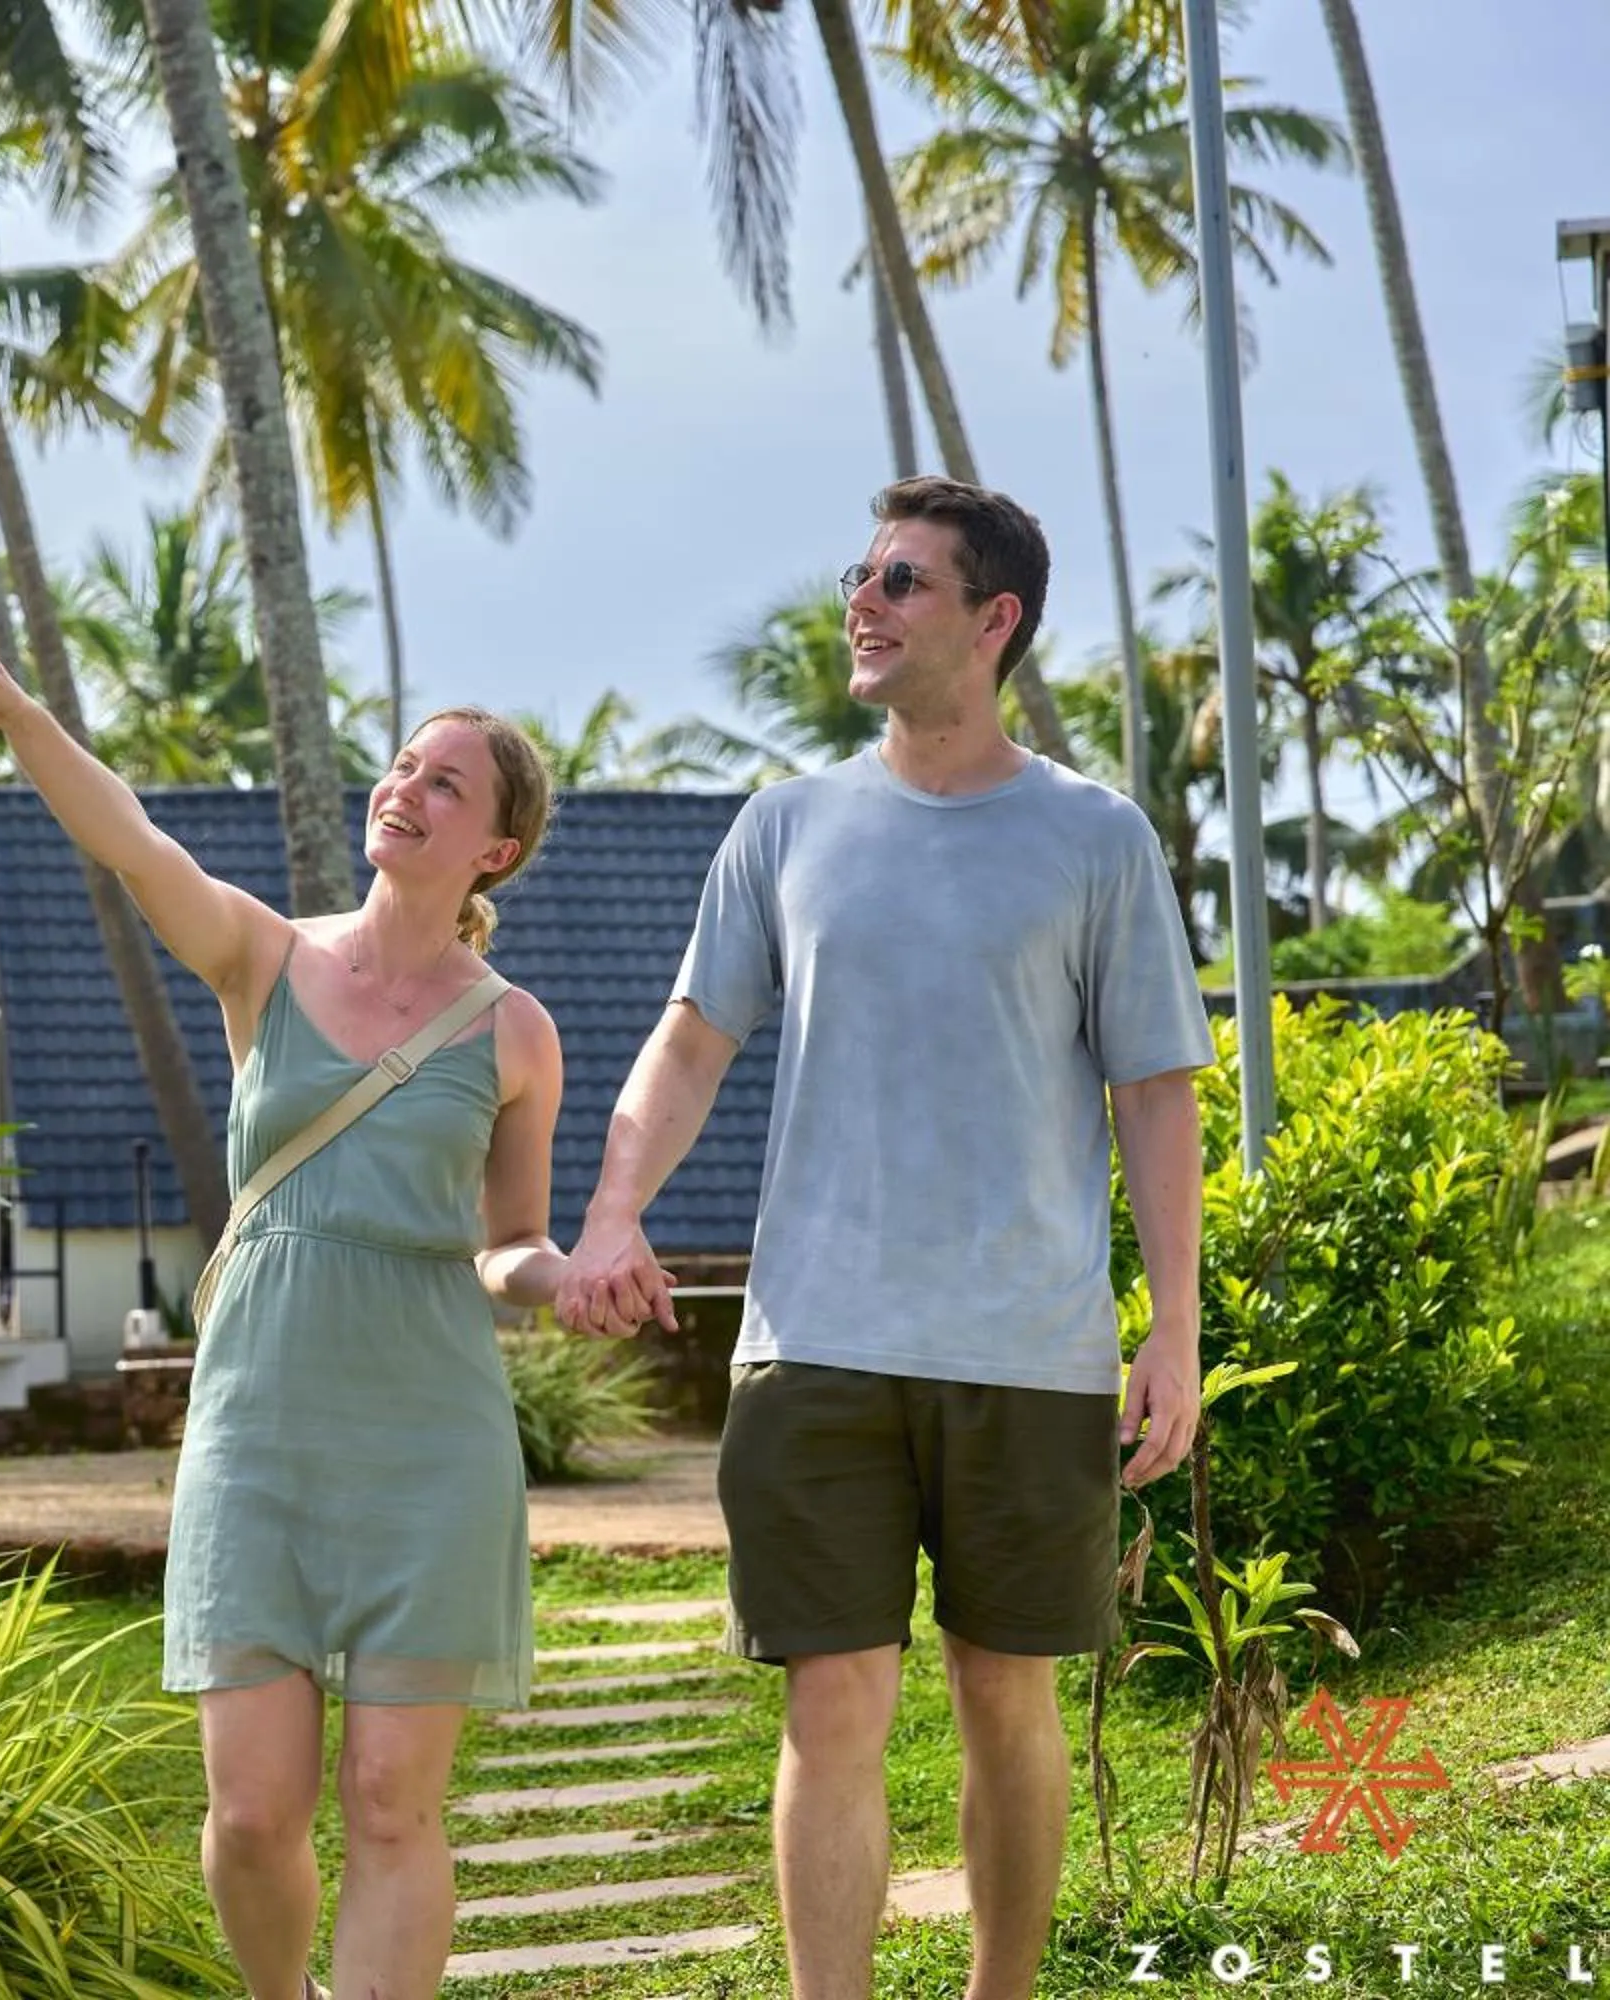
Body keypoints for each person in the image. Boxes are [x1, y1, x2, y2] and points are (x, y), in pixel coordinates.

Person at [552, 478, 1213, 2000]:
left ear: (994, 622)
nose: (864, 601)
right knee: (831, 1711)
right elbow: (690, 1041)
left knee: (1008, 1704)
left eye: (903, 581)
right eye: (862, 574)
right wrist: (612, 1205)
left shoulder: (1094, 838)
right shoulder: (785, 827)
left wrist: (1171, 1329)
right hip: (815, 1348)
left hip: (1028, 1348)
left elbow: (1156, 1096)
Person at [0, 606, 570, 2000]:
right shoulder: (266, 961)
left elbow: (508, 1243)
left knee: (396, 1803)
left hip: (431, 1444)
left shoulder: (515, 1031)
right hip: (259, 1430)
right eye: (403, 766)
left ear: (495, 849)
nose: (404, 789)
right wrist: (24, 720)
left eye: (445, 783)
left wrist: (563, 1277)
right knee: (255, 1814)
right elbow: (137, 846)